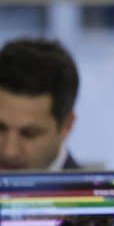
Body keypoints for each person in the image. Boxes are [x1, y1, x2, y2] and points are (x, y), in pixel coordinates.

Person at [0, 38, 81, 170]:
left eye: (29, 134)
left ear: (66, 125)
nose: (9, 151)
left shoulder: (100, 190)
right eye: (0, 128)